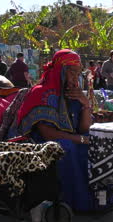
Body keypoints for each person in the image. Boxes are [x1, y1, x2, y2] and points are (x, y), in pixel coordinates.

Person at [8, 49, 96, 212]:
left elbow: (84, 128)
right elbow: (47, 133)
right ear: (61, 71)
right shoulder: (40, 92)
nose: (75, 78)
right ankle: (69, 201)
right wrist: (81, 139)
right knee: (66, 148)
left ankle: (97, 196)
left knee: (95, 143)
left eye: (78, 73)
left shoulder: (72, 93)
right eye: (72, 73)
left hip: (69, 138)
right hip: (41, 143)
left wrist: (85, 104)